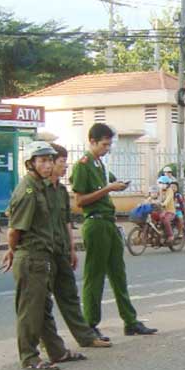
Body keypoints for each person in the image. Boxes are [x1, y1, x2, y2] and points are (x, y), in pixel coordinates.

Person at [69, 123, 157, 338]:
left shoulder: (99, 164)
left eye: (109, 145)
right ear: (92, 142)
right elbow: (79, 200)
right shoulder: (83, 165)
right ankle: (90, 324)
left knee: (118, 274)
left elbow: (106, 186)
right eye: (104, 145)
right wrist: (108, 188)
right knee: (95, 276)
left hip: (109, 222)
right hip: (95, 222)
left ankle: (130, 321)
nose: (107, 149)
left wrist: (116, 185)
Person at [1, 142, 81, 370]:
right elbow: (14, 230)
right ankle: (29, 356)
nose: (48, 165)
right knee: (30, 309)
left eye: (50, 160)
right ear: (31, 163)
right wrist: (13, 251)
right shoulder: (28, 191)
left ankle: (57, 351)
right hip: (31, 256)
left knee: (43, 307)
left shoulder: (43, 187)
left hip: (44, 255)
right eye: (43, 161)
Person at [49, 143, 112, 349]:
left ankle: (86, 335)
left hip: (60, 249)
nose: (65, 166)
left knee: (69, 295)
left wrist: (71, 248)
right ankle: (40, 346)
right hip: (43, 251)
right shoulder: (33, 189)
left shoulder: (60, 190)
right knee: (40, 302)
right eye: (61, 162)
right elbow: (16, 227)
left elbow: (66, 221)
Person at [154, 175, 176, 243]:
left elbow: (168, 199)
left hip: (170, 211)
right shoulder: (160, 190)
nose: (161, 185)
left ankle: (171, 235)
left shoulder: (170, 191)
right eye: (160, 183)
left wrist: (164, 204)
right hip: (161, 211)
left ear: (167, 184)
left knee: (166, 220)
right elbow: (158, 198)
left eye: (163, 183)